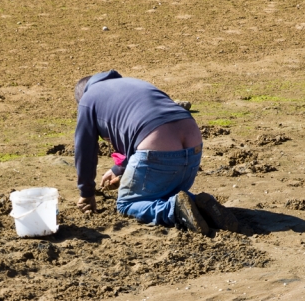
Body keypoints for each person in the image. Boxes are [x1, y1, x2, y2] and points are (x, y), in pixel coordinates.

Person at [73, 70, 239, 235]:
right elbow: (138, 128)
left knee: (126, 204)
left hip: (158, 148)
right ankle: (202, 205)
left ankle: (173, 210)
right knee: (166, 193)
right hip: (193, 143)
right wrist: (118, 169)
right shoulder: (131, 84)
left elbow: (84, 150)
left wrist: (86, 193)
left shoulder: (88, 99)